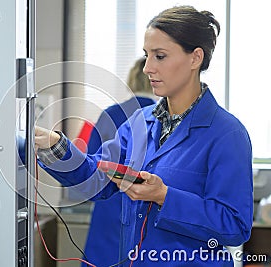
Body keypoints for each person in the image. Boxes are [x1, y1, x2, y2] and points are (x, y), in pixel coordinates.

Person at [35, 5, 253, 266]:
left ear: (195, 58)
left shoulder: (227, 134)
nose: (148, 67)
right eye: (146, 55)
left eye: (160, 56)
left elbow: (235, 225)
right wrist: (56, 146)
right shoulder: (140, 122)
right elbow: (96, 179)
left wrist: (164, 196)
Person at [83, 57, 156, 267]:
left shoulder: (111, 114)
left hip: (108, 209)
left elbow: (89, 170)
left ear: (132, 80)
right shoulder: (166, 118)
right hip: (146, 210)